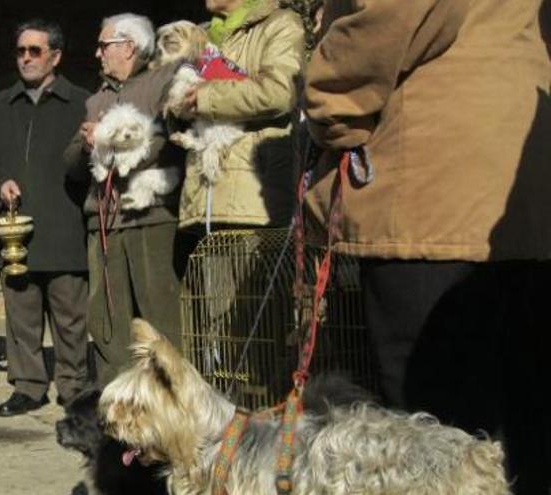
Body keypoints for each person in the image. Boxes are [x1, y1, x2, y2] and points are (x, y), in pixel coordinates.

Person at [303, 1, 551, 493]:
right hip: (518, 180)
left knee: (436, 447)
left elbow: (394, 13)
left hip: (436, 183)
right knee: (524, 427)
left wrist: (323, 97)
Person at [0, 19, 91, 415]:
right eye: (20, 51)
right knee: (21, 319)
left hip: (65, 226)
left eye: (34, 51)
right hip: (13, 233)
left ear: (55, 56)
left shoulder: (81, 103)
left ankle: (73, 385)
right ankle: (28, 385)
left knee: (71, 319)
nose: (25, 58)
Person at [64, 13, 187, 386]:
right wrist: (87, 144)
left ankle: (173, 400)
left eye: (104, 46)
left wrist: (107, 141)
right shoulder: (96, 99)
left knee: (160, 318)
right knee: (106, 318)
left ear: (128, 46)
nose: (97, 53)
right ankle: (114, 402)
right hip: (104, 221)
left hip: (150, 217)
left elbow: (163, 145)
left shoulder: (163, 84)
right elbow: (71, 163)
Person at [177, 0, 304, 232]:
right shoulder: (201, 35)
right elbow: (177, 98)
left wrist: (205, 98)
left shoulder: (281, 23)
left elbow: (279, 93)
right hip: (202, 201)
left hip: (253, 202)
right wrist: (176, 105)